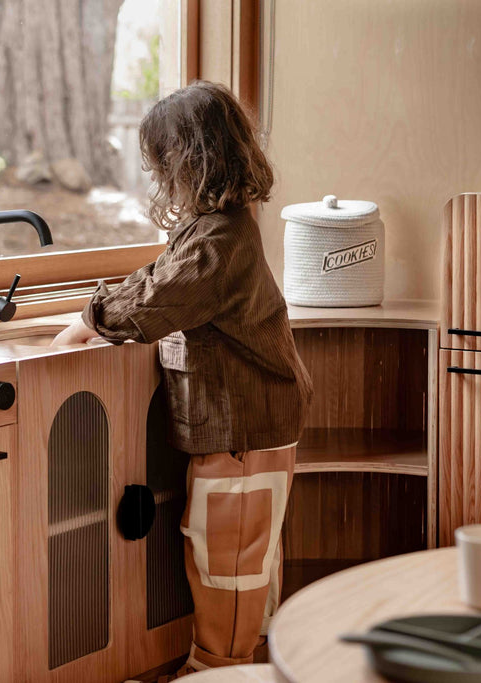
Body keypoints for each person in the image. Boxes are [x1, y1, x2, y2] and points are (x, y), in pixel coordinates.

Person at [53, 81, 313, 673]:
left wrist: (89, 319)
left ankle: (218, 670)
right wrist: (95, 312)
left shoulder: (220, 241)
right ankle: (230, 662)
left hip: (246, 426)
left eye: (163, 162)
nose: (161, 176)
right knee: (224, 549)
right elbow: (157, 276)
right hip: (242, 422)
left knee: (230, 560)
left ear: (190, 162)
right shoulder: (212, 228)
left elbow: (158, 297)